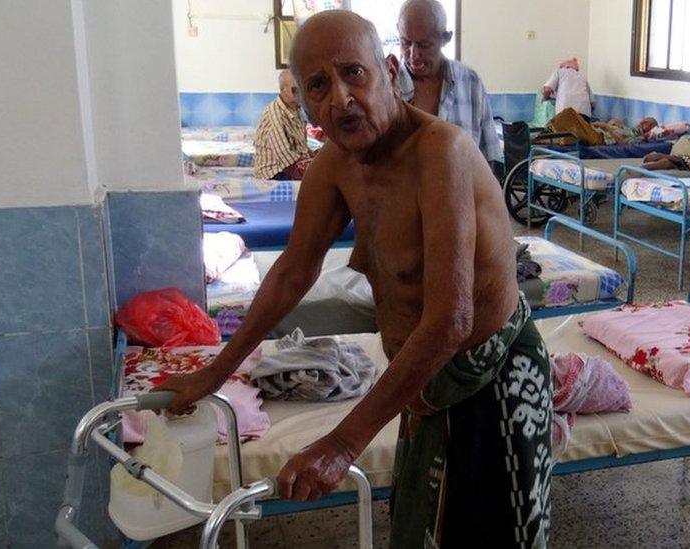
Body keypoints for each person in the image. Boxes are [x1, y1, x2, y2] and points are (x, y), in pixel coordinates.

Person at [156, 10, 552, 549]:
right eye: (318, 85)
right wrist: (215, 372)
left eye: (353, 73)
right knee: (422, 528)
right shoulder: (335, 166)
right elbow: (293, 272)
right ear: (303, 99)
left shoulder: (444, 153)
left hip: (491, 377)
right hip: (424, 382)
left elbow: (451, 320)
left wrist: (344, 443)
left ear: (390, 71)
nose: (339, 97)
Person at [396, 0, 503, 170]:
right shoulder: (387, 86)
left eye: (424, 45)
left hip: (464, 194)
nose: (413, 55)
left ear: (446, 38)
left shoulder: (470, 82)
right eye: (405, 43)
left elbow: (488, 157)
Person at [253, 70, 314, 180]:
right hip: (275, 172)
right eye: (295, 89)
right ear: (283, 90)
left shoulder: (296, 109)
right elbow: (288, 162)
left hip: (292, 164)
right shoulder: (275, 116)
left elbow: (300, 145)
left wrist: (314, 157)